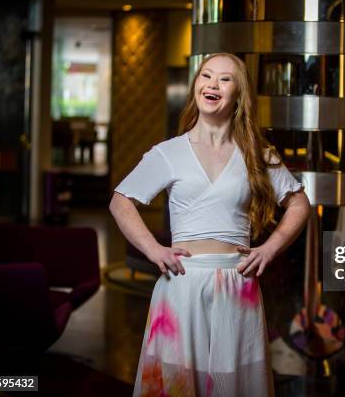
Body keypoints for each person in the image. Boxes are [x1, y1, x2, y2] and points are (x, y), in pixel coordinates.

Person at [109, 53, 311, 397]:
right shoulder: (168, 152)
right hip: (182, 286)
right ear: (196, 86)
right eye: (206, 76)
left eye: (225, 79)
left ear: (238, 95)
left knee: (234, 386)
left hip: (238, 286)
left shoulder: (257, 154)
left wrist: (270, 248)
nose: (212, 84)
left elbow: (299, 204)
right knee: (176, 386)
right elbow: (121, 201)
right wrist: (153, 249)